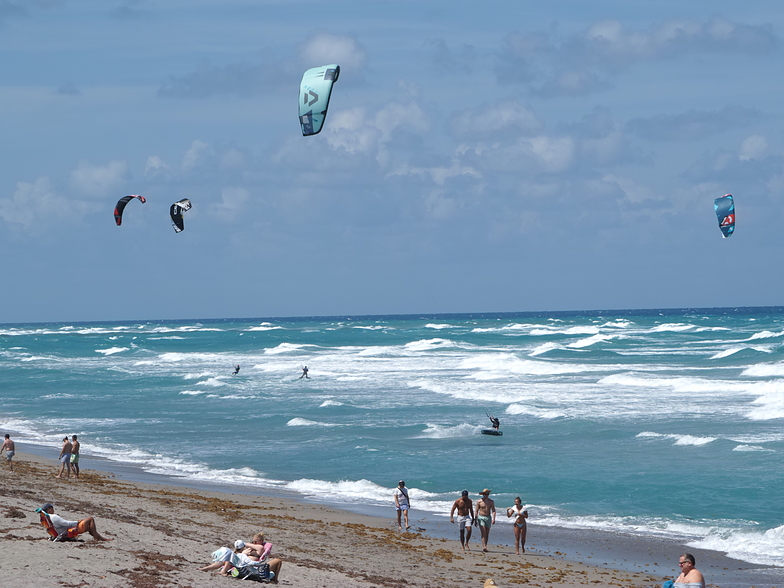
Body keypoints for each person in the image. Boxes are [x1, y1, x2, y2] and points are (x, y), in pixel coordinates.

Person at [40, 502, 113, 541]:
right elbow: (67, 523)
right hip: (70, 530)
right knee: (90, 519)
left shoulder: (47, 518)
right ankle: (97, 539)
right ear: (49, 509)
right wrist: (77, 522)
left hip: (60, 532)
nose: (53, 509)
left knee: (89, 528)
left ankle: (102, 539)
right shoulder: (54, 516)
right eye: (52, 508)